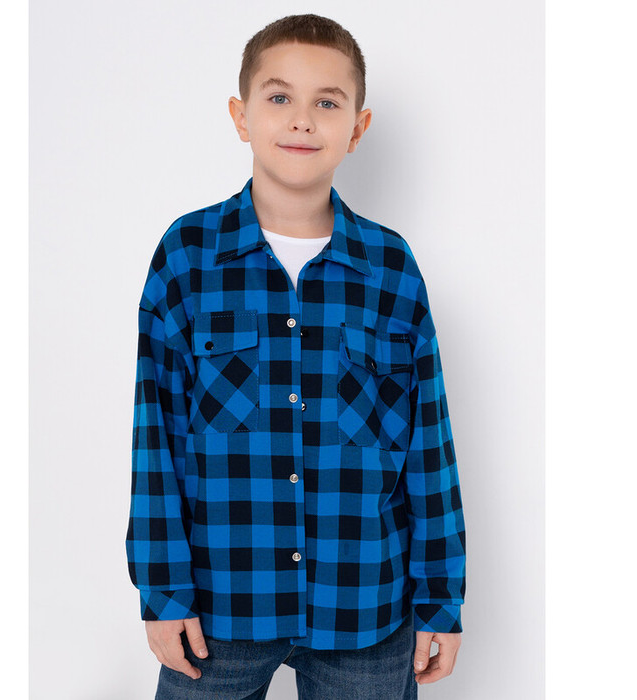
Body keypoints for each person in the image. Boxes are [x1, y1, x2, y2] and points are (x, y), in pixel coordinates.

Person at [125, 13, 466, 700]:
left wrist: (441, 598)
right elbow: (156, 435)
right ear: (241, 116)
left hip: (364, 603)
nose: (302, 120)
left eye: (327, 103)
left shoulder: (391, 267)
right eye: (279, 97)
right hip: (221, 605)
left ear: (357, 128)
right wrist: (163, 592)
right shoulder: (188, 256)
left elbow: (427, 442)